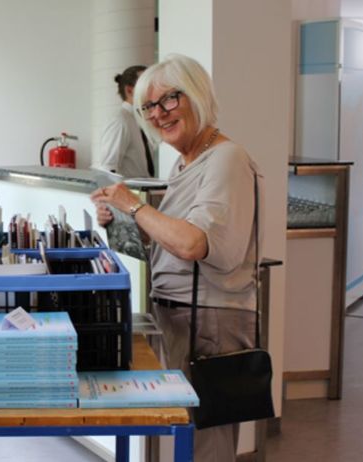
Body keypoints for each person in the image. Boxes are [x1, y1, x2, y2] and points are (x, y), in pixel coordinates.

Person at [91, 54, 262, 461]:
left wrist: (134, 207)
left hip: (211, 320)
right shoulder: (187, 163)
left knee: (208, 444)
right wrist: (118, 222)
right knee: (188, 434)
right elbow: (167, 247)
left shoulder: (227, 158)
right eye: (149, 107)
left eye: (169, 100)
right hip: (182, 315)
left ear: (197, 95)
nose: (158, 114)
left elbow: (194, 244)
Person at [92, 64, 155, 178]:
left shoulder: (139, 120)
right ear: (130, 91)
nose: (153, 90)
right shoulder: (120, 121)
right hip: (127, 192)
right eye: (147, 85)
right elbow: (108, 170)